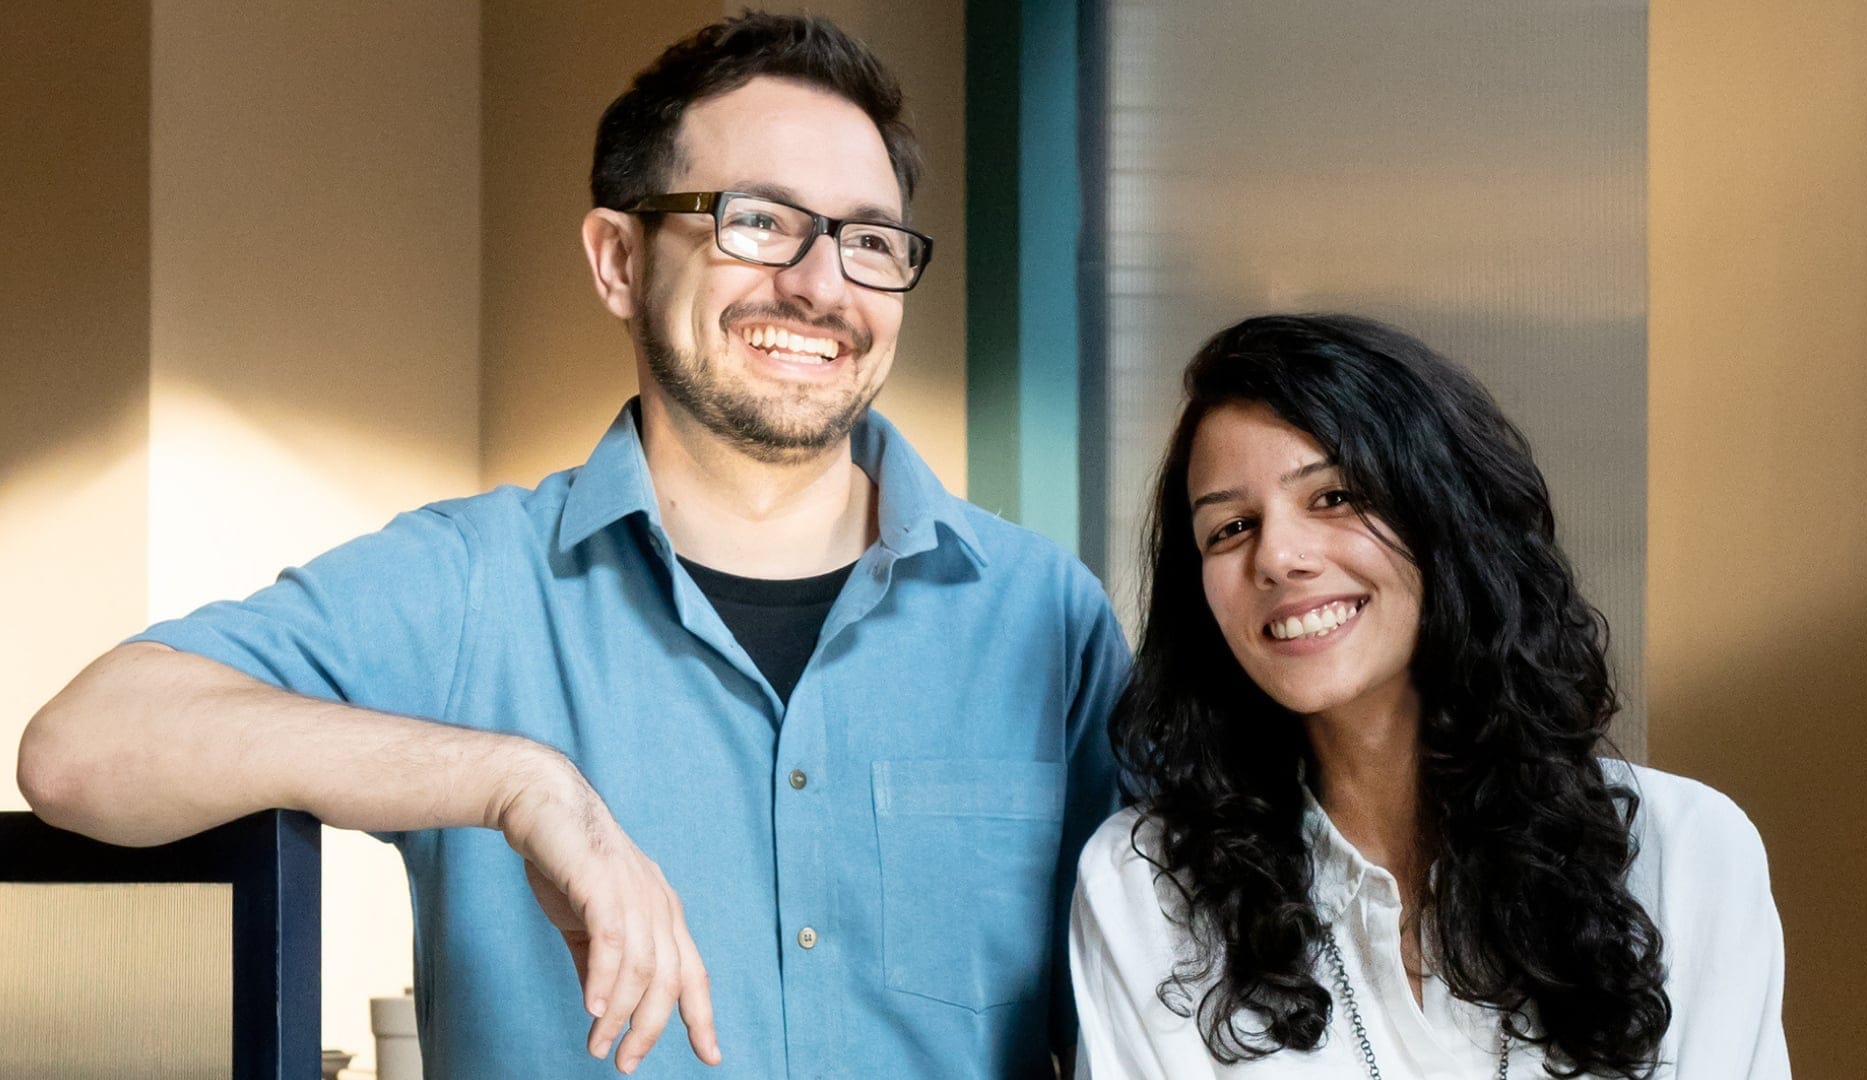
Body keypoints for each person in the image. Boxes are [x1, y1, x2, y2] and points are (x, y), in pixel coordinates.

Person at [19, 14, 1127, 1079]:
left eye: (869, 241)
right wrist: (517, 783)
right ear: (619, 260)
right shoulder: (469, 586)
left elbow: (1176, 983)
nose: (821, 284)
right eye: (757, 222)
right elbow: (80, 753)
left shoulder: (1045, 618)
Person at [1069, 315, 1788, 1078]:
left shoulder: (1686, 855)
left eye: (1335, 496)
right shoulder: (1144, 890)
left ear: (1448, 516)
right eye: (1231, 527)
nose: (1276, 557)